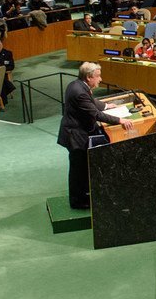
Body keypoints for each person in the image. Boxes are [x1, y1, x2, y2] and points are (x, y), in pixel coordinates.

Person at [58, 62, 135, 209]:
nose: (100, 79)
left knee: (82, 167)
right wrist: (120, 120)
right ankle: (78, 202)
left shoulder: (77, 85)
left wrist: (106, 106)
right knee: (78, 170)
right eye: (98, 76)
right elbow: (95, 114)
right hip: (75, 135)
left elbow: (91, 102)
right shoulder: (79, 91)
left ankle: (85, 194)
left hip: (77, 132)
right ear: (88, 77)